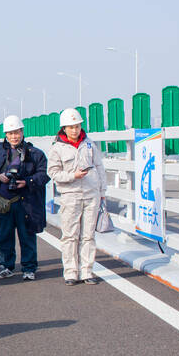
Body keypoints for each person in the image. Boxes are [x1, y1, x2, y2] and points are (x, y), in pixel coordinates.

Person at [0, 114, 49, 281]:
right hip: (4, 202)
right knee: (4, 235)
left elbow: (44, 175)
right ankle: (5, 266)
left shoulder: (35, 153)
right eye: (10, 133)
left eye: (16, 132)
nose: (13, 136)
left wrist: (26, 182)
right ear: (5, 134)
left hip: (26, 202)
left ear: (22, 131)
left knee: (27, 235)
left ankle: (29, 267)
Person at [47, 108, 108, 285]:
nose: (75, 130)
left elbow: (100, 167)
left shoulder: (89, 144)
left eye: (77, 126)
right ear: (63, 128)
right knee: (70, 235)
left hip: (91, 195)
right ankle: (71, 272)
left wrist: (102, 192)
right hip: (70, 195)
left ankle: (87, 271)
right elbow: (53, 173)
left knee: (88, 235)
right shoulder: (57, 148)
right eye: (71, 127)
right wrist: (72, 176)